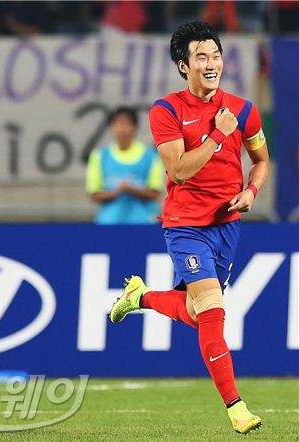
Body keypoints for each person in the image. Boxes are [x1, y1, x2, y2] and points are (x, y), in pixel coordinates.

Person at [109, 22, 269, 434]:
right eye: (201, 57)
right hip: (185, 225)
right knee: (213, 311)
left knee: (200, 314)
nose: (212, 63)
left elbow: (262, 161)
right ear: (184, 66)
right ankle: (236, 407)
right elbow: (178, 170)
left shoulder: (244, 110)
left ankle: (140, 296)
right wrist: (218, 134)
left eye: (216, 55)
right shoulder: (167, 111)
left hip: (227, 226)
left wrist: (251, 190)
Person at [86, 107, 164, 224]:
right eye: (117, 124)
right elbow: (94, 194)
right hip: (108, 223)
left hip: (142, 223)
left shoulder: (150, 156)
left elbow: (155, 192)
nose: (121, 129)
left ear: (134, 127)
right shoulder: (99, 156)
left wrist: (132, 189)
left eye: (126, 124)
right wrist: (117, 192)